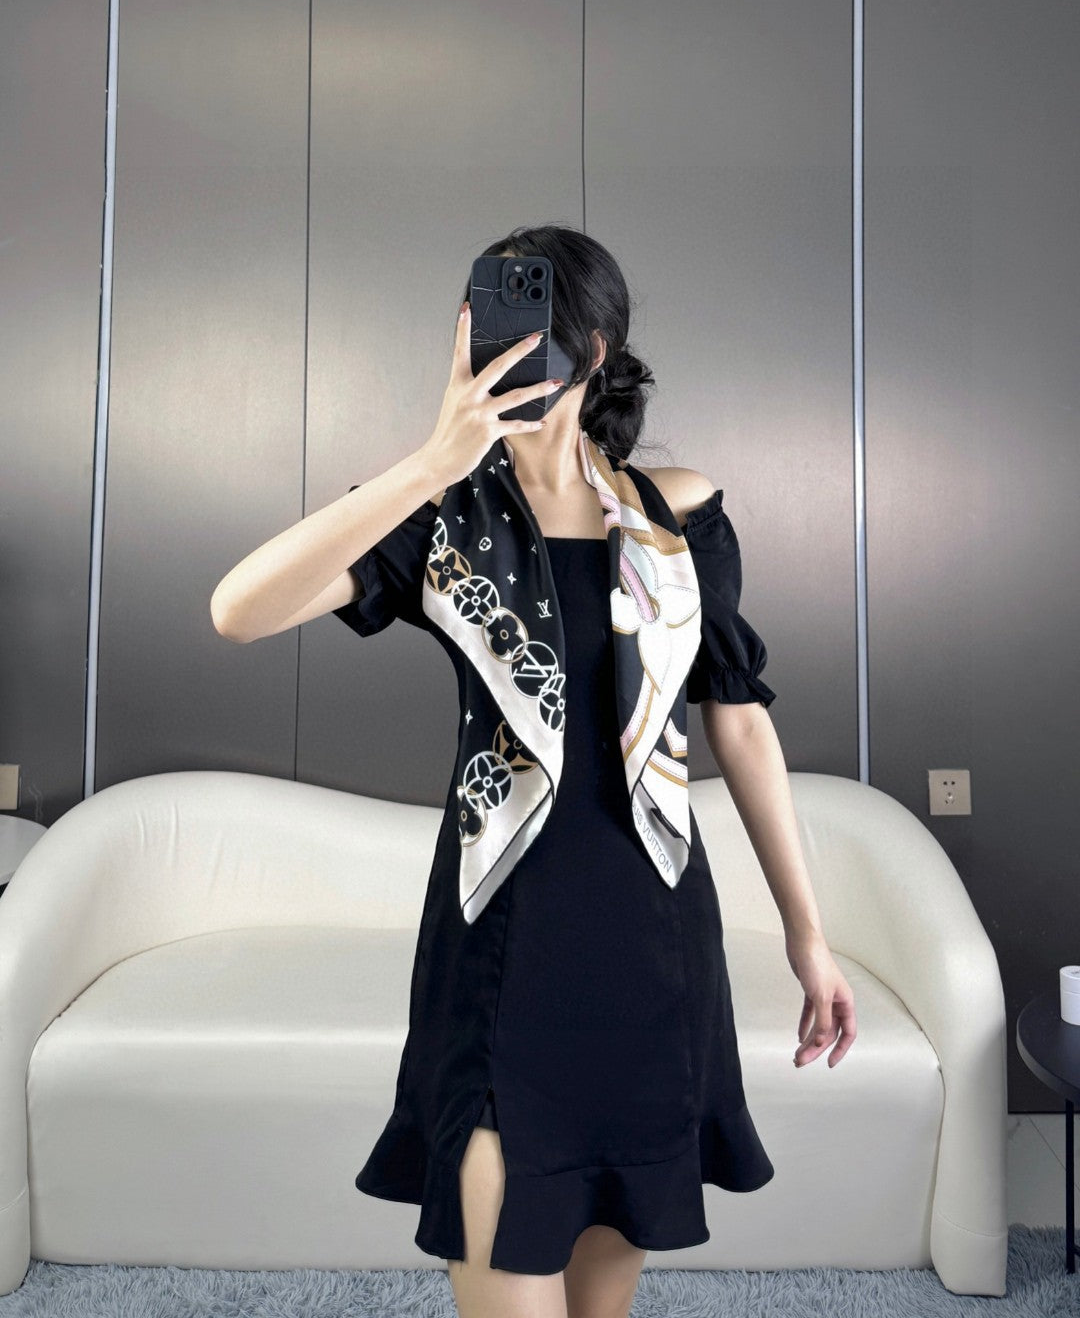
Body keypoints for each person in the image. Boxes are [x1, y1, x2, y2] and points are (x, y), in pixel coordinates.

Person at [211, 223, 857, 1318]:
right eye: (483, 330)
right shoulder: (440, 515)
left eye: (532, 336)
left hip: (654, 953)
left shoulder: (678, 515)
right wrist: (430, 462)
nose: (501, 358)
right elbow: (238, 611)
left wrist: (808, 934)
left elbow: (740, 726)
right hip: (498, 955)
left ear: (591, 354)